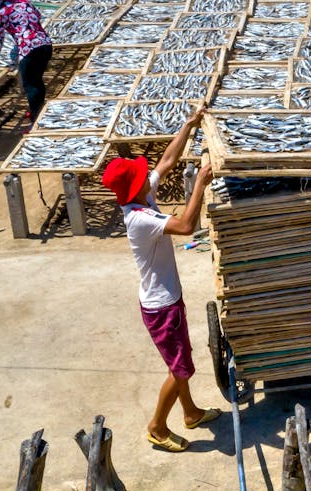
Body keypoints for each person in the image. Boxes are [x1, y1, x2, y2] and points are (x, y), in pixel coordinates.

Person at [101, 108, 221, 452]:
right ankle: (157, 426)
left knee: (178, 361)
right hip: (161, 306)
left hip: (165, 299)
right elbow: (185, 226)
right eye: (142, 177)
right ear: (135, 188)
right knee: (180, 369)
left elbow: (167, 161)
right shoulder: (139, 218)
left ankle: (191, 412)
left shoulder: (141, 196)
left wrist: (189, 124)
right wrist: (199, 183)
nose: (147, 177)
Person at [0, 0, 53, 127]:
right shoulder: (25, 4)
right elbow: (37, 17)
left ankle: (36, 120)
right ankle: (38, 111)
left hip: (29, 50)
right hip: (45, 45)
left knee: (31, 86)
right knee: (37, 80)